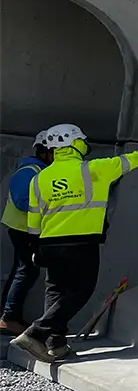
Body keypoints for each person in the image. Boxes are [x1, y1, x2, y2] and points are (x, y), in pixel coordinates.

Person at [9, 124, 138, 363]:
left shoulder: (39, 179)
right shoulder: (95, 169)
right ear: (74, 143)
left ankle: (56, 344)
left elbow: (34, 218)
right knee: (80, 290)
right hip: (81, 243)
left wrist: (35, 247)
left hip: (48, 243)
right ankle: (36, 333)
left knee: (56, 291)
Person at [0, 131, 52, 335]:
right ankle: (9, 317)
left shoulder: (36, 170)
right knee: (26, 271)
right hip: (24, 229)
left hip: (24, 229)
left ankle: (9, 315)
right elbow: (23, 201)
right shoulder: (30, 171)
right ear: (45, 152)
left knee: (21, 270)